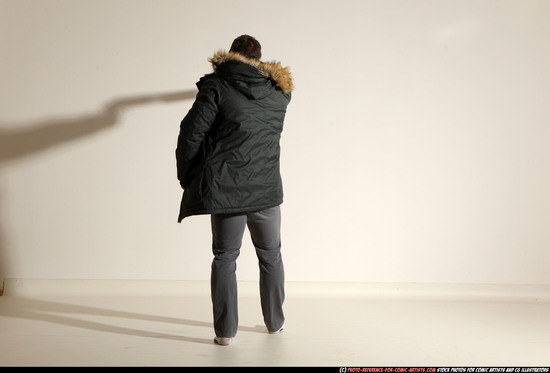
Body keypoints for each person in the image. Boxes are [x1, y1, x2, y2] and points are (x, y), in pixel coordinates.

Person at [175, 35, 293, 346]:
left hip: (227, 191)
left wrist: (186, 175)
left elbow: (191, 133)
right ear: (259, 59)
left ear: (231, 55)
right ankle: (275, 324)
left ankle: (225, 333)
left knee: (226, 257)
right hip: (267, 189)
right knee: (271, 256)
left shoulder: (216, 87)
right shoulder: (280, 93)